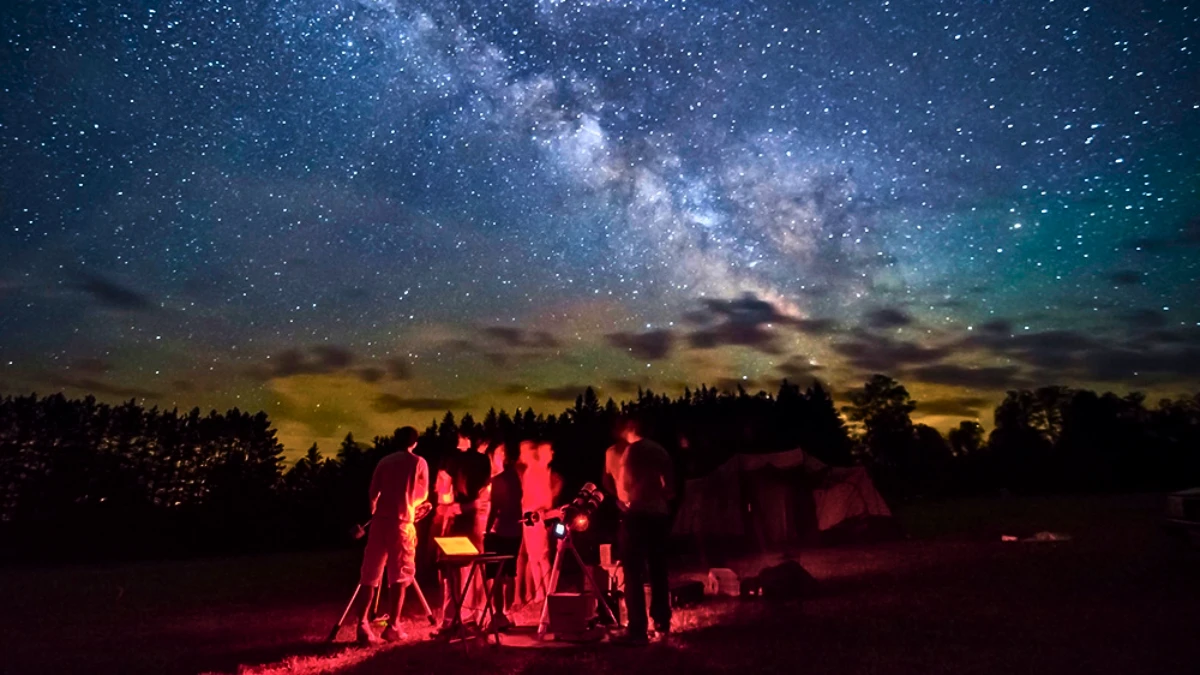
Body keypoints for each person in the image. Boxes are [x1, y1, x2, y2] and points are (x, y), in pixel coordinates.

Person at [355, 426, 428, 645]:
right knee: (401, 575)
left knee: (369, 575)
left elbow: (373, 493)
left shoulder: (384, 462)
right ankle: (393, 627)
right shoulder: (418, 462)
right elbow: (422, 494)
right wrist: (411, 506)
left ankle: (362, 626)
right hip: (402, 523)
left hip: (379, 523)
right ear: (414, 443)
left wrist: (376, 510)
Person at [612, 418, 675, 645]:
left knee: (632, 571)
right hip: (659, 515)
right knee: (658, 569)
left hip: (637, 515)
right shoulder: (661, 451)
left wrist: (626, 501)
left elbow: (624, 487)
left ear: (630, 430)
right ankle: (661, 621)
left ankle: (637, 627)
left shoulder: (631, 453)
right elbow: (670, 488)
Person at [434, 432, 492, 635]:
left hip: (461, 519)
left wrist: (450, 507)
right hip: (469, 518)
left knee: (456, 572)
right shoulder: (482, 460)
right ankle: (461, 619)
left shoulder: (455, 461)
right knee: (462, 572)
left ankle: (459, 620)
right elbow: (484, 490)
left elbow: (444, 490)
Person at [483, 441, 522, 631]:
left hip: (501, 531)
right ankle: (508, 612)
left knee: (497, 574)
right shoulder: (518, 478)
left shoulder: (498, 480)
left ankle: (499, 614)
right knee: (510, 572)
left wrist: (487, 529)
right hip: (516, 530)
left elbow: (494, 508)